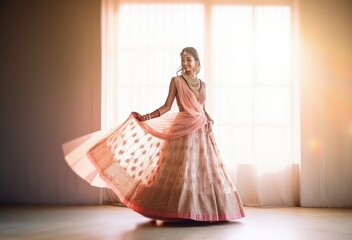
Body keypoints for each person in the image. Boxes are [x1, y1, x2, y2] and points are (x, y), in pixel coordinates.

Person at [63, 47, 245, 222]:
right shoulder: (177, 81)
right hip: (182, 130)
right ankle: (178, 210)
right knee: (182, 170)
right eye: (183, 59)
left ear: (197, 62)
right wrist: (147, 117)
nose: (185, 62)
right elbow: (167, 107)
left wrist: (209, 118)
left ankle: (202, 210)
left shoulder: (202, 83)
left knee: (202, 171)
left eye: (188, 59)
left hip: (201, 130)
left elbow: (202, 108)